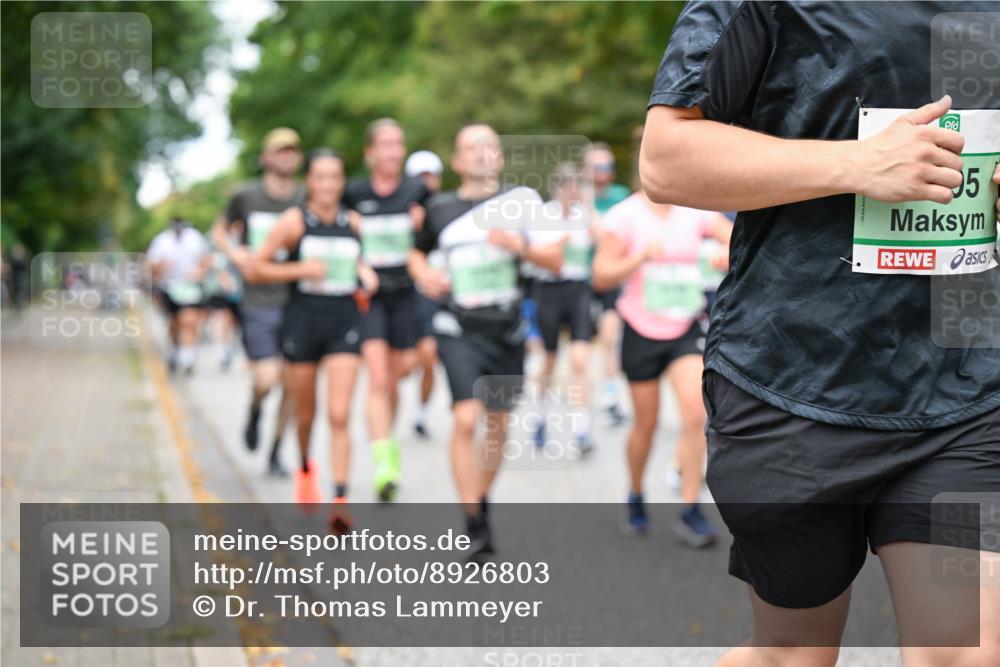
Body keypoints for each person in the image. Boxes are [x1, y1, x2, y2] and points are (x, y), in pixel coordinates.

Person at [641, 3, 999, 665]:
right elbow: (666, 161)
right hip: (791, 380)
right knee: (793, 652)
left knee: (966, 650)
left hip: (964, 390)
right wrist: (857, 165)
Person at [408, 123, 563, 556]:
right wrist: (422, 272)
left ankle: (479, 498)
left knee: (498, 425)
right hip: (456, 326)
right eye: (470, 148)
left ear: (499, 156)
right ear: (457, 161)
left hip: (507, 328)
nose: (480, 154)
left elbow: (555, 258)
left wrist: (519, 246)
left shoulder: (523, 203)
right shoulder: (439, 208)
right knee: (464, 418)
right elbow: (415, 251)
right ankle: (472, 517)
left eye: (488, 147)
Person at [593, 183, 731, 547]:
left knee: (695, 414)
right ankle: (636, 492)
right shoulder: (625, 215)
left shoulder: (694, 208)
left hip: (685, 325)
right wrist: (638, 259)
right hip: (640, 328)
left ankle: (690, 508)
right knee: (647, 423)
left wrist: (723, 253)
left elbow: (739, 240)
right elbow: (601, 274)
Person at [245, 149, 377, 527]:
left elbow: (358, 260)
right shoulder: (293, 221)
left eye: (334, 177)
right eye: (319, 177)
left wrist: (365, 274)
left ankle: (339, 499)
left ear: (341, 181)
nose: (327, 185)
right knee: (306, 415)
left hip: (344, 322)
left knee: (339, 414)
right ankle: (305, 467)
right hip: (302, 322)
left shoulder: (353, 222)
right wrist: (301, 268)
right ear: (310, 182)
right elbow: (257, 270)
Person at [343, 119, 432, 501]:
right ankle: (384, 465)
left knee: (397, 377)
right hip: (370, 297)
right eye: (386, 144)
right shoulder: (353, 194)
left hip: (408, 296)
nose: (394, 151)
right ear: (370, 152)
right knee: (378, 379)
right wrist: (357, 259)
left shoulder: (418, 192)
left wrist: (423, 227)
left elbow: (435, 237)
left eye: (399, 144)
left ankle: (386, 440)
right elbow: (332, 234)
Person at [213, 127, 304, 476]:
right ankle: (255, 409)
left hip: (297, 299)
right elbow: (220, 230)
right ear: (266, 157)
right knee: (267, 377)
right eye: (280, 151)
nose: (286, 156)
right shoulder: (247, 196)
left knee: (294, 384)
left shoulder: (305, 196)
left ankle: (277, 450)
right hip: (259, 299)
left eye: (292, 151)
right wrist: (235, 254)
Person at [528, 163, 598, 458]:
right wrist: (567, 232)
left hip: (578, 291)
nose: (571, 193)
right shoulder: (545, 216)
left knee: (580, 361)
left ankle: (581, 429)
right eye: (566, 187)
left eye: (575, 187)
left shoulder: (585, 216)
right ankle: (541, 416)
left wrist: (588, 208)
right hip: (550, 292)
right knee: (551, 360)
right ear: (556, 189)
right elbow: (545, 255)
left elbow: (602, 238)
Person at [584, 143, 630, 427]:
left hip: (610, 276)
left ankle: (611, 397)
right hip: (578, 280)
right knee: (579, 347)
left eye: (608, 167)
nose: (605, 173)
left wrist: (587, 207)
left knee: (610, 337)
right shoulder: (572, 198)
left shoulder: (620, 197)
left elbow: (603, 236)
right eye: (599, 167)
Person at [405, 149, 445, 440]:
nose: (426, 183)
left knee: (430, 355)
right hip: (411, 294)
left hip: (443, 291)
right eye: (420, 177)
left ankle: (421, 412)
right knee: (417, 359)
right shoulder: (400, 211)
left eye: (430, 176)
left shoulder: (447, 208)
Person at [147, 218, 211, 375]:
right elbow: (151, 265)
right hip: (169, 287)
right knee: (174, 323)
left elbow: (207, 259)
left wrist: (199, 272)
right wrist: (161, 267)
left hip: (190, 287)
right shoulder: (161, 241)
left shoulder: (195, 238)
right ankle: (175, 351)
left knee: (189, 320)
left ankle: (188, 356)